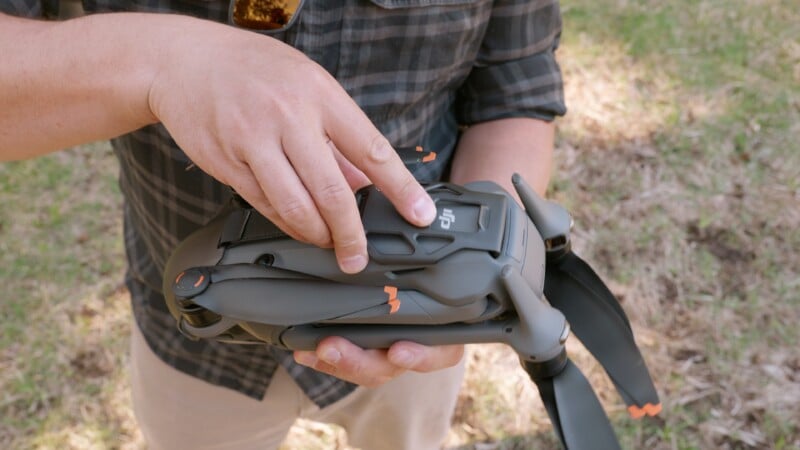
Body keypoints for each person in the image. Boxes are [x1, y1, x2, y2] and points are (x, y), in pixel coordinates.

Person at [0, 0, 566, 447]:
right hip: (193, 328)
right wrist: (163, 62)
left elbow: (515, 87)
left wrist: (473, 278)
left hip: (412, 330)